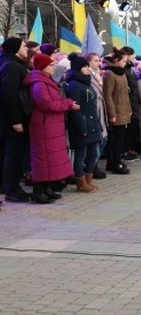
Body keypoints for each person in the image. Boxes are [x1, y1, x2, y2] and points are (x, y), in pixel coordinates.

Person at [26, 53, 81, 203]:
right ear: (42, 67)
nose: (53, 67)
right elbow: (47, 104)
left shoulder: (46, 81)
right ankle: (38, 191)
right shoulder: (38, 83)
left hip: (51, 125)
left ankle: (47, 188)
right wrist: (68, 104)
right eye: (50, 65)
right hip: (43, 125)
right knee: (43, 158)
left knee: (50, 159)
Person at [0, 37, 31, 202]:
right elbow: (9, 95)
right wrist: (16, 121)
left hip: (14, 118)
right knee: (14, 154)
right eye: (23, 45)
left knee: (11, 153)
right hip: (14, 120)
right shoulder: (11, 66)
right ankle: (12, 190)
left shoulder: (12, 63)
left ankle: (9, 186)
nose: (26, 48)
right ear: (15, 48)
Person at [65, 54, 102, 193]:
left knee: (94, 153)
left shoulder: (86, 82)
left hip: (92, 124)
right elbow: (76, 108)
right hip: (82, 125)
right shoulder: (74, 85)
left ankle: (88, 179)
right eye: (84, 67)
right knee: (81, 154)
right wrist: (82, 126)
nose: (87, 69)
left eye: (87, 66)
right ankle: (80, 181)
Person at [103, 51, 133, 174]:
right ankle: (115, 162)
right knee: (115, 139)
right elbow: (108, 95)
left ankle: (115, 160)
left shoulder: (122, 74)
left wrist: (129, 109)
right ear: (116, 60)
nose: (125, 64)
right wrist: (112, 114)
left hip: (124, 109)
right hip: (116, 111)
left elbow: (126, 93)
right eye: (124, 61)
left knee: (121, 138)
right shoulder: (109, 74)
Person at [86, 52, 109, 179]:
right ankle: (92, 166)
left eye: (98, 60)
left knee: (104, 138)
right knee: (100, 138)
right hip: (95, 108)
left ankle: (93, 164)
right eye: (95, 60)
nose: (98, 63)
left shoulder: (98, 74)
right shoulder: (89, 75)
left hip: (101, 106)